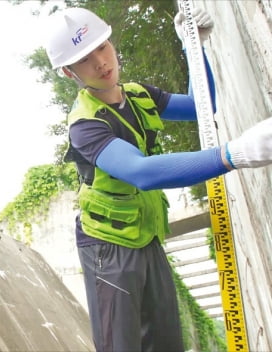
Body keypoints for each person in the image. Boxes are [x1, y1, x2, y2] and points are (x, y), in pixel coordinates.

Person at [44, 7, 272, 352]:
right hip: (107, 245)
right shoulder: (85, 125)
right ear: (68, 72)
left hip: (145, 233)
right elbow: (141, 172)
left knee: (166, 342)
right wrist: (231, 155)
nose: (101, 63)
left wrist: (195, 49)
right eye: (85, 60)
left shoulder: (138, 95)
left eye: (102, 48)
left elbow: (201, 106)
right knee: (122, 345)